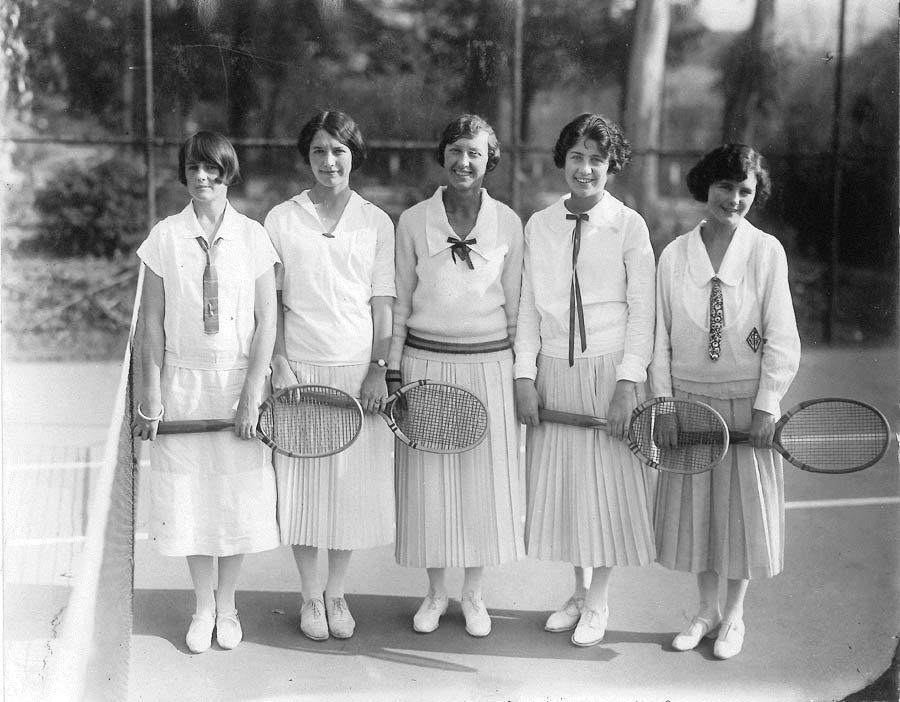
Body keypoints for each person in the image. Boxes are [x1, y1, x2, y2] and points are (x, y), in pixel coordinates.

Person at [649, 144, 800, 660]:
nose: (733, 199)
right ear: (705, 186)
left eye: (744, 191)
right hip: (689, 401)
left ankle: (734, 617)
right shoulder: (674, 254)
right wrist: (665, 404)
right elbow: (659, 339)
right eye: (724, 187)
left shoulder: (767, 251)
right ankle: (705, 611)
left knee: (741, 517)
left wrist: (768, 404)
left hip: (744, 402)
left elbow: (781, 334)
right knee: (699, 515)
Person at [133, 131, 280, 654]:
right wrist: (151, 397)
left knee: (235, 501)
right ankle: (201, 608)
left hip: (237, 383)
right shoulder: (164, 237)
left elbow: (267, 323)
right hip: (183, 384)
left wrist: (252, 395)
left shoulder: (255, 236)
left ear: (227, 174)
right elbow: (150, 323)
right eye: (194, 168)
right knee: (193, 501)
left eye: (212, 169)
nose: (202, 178)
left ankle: (228, 608)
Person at [515, 113, 657, 647]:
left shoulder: (630, 225)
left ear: (611, 167)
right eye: (576, 157)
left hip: (608, 369)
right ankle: (578, 592)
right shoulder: (539, 224)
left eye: (597, 159)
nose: (585, 168)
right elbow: (529, 306)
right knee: (570, 491)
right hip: (554, 369)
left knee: (605, 490)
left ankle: (598, 602)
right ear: (563, 161)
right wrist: (524, 375)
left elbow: (642, 314)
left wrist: (627, 382)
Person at [389, 114, 525, 637]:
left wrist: (520, 376)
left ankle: (473, 594)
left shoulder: (509, 223)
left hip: (489, 367)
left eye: (474, 152)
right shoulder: (412, 221)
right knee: (429, 487)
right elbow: (399, 303)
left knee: (480, 488)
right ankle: (436, 592)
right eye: (455, 151)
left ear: (489, 159)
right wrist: (395, 371)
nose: (463, 161)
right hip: (425, 365)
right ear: (441, 155)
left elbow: (517, 312)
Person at [264, 110, 395, 641]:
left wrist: (377, 370)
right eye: (318, 151)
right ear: (307, 158)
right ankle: (308, 597)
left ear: (353, 155)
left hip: (356, 375)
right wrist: (278, 362)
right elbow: (269, 302)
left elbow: (382, 307)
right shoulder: (280, 219)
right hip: (299, 370)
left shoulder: (376, 222)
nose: (328, 161)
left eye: (338, 150)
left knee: (347, 492)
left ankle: (336, 594)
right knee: (302, 490)